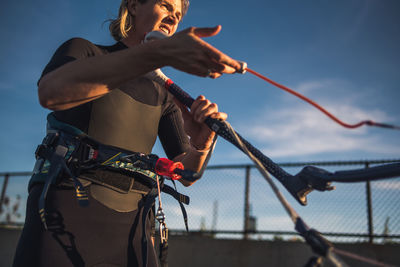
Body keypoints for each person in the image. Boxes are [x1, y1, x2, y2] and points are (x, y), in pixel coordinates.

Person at [13, 0, 242, 266]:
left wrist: (201, 144)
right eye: (166, 6)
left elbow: (186, 172)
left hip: (135, 231)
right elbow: (51, 92)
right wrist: (155, 55)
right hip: (64, 219)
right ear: (133, 6)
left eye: (177, 14)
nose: (173, 17)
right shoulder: (85, 51)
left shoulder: (164, 95)